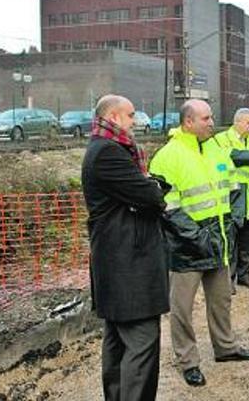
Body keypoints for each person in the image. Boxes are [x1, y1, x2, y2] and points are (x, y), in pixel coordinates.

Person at [149, 99, 249, 387]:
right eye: (206, 118)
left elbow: (232, 186)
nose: (212, 123)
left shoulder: (216, 148)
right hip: (187, 245)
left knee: (221, 300)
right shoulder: (167, 156)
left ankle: (226, 347)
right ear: (188, 122)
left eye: (211, 117)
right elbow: (166, 206)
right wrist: (197, 237)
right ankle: (188, 361)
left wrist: (232, 223)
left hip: (219, 237)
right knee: (182, 308)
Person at [81, 95, 170, 400]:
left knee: (117, 340)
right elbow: (151, 197)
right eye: (132, 115)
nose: (137, 121)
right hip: (127, 266)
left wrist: (148, 187)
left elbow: (143, 191)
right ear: (114, 117)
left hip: (118, 261)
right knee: (142, 343)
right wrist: (153, 188)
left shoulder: (104, 149)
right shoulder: (108, 152)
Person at [213, 108, 249, 290]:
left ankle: (244, 275)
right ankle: (228, 280)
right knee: (230, 241)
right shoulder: (222, 139)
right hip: (232, 197)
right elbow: (231, 156)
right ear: (237, 122)